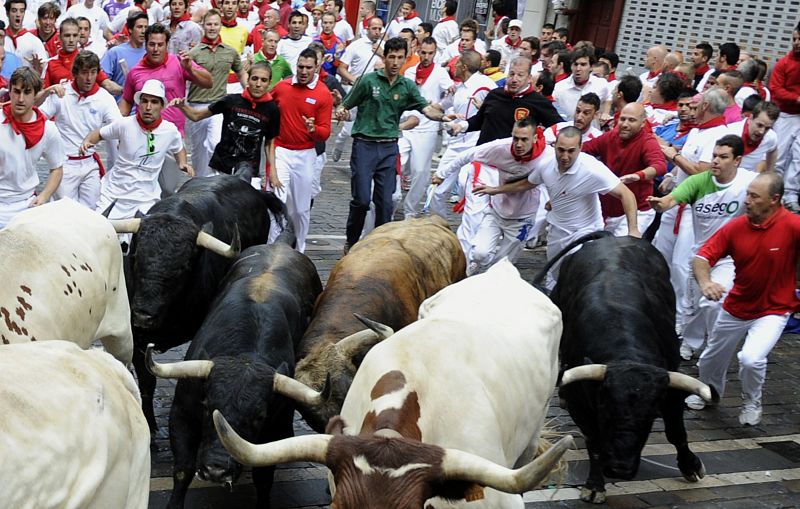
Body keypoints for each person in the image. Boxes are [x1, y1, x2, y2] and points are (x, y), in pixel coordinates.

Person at [685, 172, 800, 426]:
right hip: (736, 307)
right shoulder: (736, 227)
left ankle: (752, 401)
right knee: (710, 358)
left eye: (754, 196)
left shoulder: (792, 226)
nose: (746, 200)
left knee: (750, 358)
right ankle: (709, 393)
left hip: (774, 310)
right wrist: (706, 282)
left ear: (774, 200)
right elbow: (702, 258)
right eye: (747, 193)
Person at [475, 126, 640, 286]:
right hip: (557, 231)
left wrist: (633, 230)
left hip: (585, 232)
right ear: (554, 146)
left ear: (580, 148)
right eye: (561, 150)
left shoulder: (592, 169)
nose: (565, 156)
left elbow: (626, 194)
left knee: (576, 277)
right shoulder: (546, 166)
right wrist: (496, 190)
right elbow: (526, 184)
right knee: (555, 276)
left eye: (571, 151)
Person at [648, 135, 757, 361]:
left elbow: (770, 193)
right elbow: (670, 200)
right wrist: (659, 205)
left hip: (730, 259)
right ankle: (691, 342)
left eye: (723, 157)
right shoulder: (698, 181)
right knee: (693, 308)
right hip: (701, 257)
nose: (716, 161)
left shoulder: (749, 182)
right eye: (714, 156)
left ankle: (713, 348)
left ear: (737, 160)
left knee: (713, 302)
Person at [334, 36, 444, 254]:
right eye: (391, 57)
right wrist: (341, 110)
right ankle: (352, 240)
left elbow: (426, 109)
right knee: (362, 200)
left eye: (399, 58)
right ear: (383, 58)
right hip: (364, 145)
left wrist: (444, 117)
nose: (395, 62)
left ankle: (379, 245)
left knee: (385, 204)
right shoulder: (367, 81)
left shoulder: (407, 86)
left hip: (388, 147)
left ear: (405, 59)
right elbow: (345, 105)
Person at [657, 87, 733, 332]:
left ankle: (681, 321)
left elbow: (703, 172)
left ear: (706, 107)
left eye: (697, 103)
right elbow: (685, 163)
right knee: (661, 256)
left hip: (694, 208)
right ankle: (658, 309)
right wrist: (671, 174)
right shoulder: (699, 130)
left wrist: (673, 156)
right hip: (675, 200)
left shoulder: (717, 134)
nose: (692, 108)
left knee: (682, 265)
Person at [437, 116, 554, 274]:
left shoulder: (548, 156)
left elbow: (561, 178)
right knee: (479, 254)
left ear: (535, 138)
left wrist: (554, 200)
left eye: (524, 139)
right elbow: (466, 155)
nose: (519, 144)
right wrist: (441, 174)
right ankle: (476, 273)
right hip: (496, 212)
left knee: (502, 266)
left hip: (522, 218)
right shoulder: (500, 147)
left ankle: (488, 287)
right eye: (515, 138)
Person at [84, 79, 190, 222]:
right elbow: (99, 133)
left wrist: (183, 163)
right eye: (144, 101)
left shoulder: (170, 130)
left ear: (162, 106)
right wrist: (87, 141)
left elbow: (179, 148)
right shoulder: (124, 124)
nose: (148, 107)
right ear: (139, 104)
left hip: (146, 199)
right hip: (113, 194)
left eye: (154, 102)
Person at [38, 50, 120, 208]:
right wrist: (47, 92)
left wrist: (98, 135)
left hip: (90, 163)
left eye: (93, 72)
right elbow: (39, 117)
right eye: (84, 72)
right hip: (65, 165)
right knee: (65, 212)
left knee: (92, 212)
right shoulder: (61, 93)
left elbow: (118, 127)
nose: (89, 78)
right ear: (75, 72)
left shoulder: (104, 98)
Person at [270, 48, 332, 252]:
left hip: (306, 154)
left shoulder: (323, 94)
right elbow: (266, 105)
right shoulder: (281, 87)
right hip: (280, 151)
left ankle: (299, 250)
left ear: (317, 67)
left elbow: (325, 132)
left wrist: (314, 130)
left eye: (308, 67)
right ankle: (272, 247)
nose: (303, 71)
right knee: (277, 201)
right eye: (300, 67)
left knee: (301, 209)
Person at [171, 62, 279, 179]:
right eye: (254, 78)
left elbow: (269, 143)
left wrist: (273, 172)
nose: (258, 84)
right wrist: (183, 106)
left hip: (249, 172)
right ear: (248, 80)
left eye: (263, 80)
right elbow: (196, 116)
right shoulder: (231, 101)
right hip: (221, 169)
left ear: (269, 83)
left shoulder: (272, 109)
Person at [430, 49, 496, 218]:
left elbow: (498, 107)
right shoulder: (458, 88)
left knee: (464, 187)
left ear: (464, 67)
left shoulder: (486, 85)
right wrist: (428, 103)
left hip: (474, 147)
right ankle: (442, 227)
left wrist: (485, 109)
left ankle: (471, 230)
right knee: (437, 191)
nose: (455, 67)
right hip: (455, 146)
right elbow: (441, 106)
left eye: (457, 64)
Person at [583, 102, 667, 235]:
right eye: (622, 119)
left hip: (637, 211)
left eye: (631, 120)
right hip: (607, 210)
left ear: (643, 123)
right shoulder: (610, 136)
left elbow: (660, 166)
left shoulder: (647, 141)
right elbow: (585, 149)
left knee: (619, 252)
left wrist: (638, 175)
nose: (625, 124)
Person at [0, 66, 64, 227]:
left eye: (27, 92)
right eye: (16, 91)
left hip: (25, 206)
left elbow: (57, 168)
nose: (20, 99)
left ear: (36, 95)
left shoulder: (48, 130)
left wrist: (43, 197)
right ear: (10, 91)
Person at [448, 56, 562, 145]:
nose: (514, 79)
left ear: (529, 78)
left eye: (520, 75)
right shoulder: (494, 94)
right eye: (511, 74)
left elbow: (559, 127)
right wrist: (462, 126)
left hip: (514, 163)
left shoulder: (538, 102)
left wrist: (540, 143)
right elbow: (480, 120)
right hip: (485, 154)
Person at [186, 8, 245, 177]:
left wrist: (247, 88)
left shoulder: (230, 51)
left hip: (218, 104)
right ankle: (200, 181)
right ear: (203, 26)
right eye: (209, 24)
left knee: (214, 143)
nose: (212, 28)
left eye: (215, 24)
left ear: (221, 26)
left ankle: (214, 181)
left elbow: (240, 71)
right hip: (196, 105)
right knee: (198, 151)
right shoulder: (194, 52)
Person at [398, 37, 451, 218]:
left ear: (435, 53)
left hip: (427, 128)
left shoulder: (440, 73)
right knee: (397, 162)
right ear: (418, 51)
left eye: (430, 53)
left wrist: (439, 105)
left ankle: (410, 211)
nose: (426, 56)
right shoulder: (410, 72)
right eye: (424, 52)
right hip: (406, 125)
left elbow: (451, 94)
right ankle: (391, 200)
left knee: (420, 171)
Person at [42, 18, 119, 94]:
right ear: (59, 38)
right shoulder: (50, 64)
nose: (71, 40)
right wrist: (49, 90)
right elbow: (42, 96)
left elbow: (107, 84)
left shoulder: (88, 60)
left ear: (78, 37)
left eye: (75, 35)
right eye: (67, 35)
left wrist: (128, 89)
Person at [771, 25, 800, 212]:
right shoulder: (784, 63)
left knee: (799, 157)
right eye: (794, 39)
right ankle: (775, 191)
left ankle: (790, 193)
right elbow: (775, 89)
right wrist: (796, 98)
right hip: (786, 115)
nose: (796, 43)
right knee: (779, 156)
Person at [553, 46, 610, 121]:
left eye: (583, 65)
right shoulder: (560, 88)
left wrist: (605, 112)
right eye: (575, 64)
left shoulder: (601, 84)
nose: (578, 69)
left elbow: (609, 98)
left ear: (591, 67)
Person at [100, 11, 147, 90]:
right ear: (130, 29)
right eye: (139, 27)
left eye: (146, 27)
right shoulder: (115, 52)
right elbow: (102, 79)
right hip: (118, 101)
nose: (143, 31)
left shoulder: (151, 53)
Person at [728, 100, 779, 173]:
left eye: (767, 128)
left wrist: (769, 172)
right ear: (750, 118)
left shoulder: (771, 137)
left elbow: (773, 150)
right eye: (759, 125)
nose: (762, 131)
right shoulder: (730, 132)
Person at [4, 0, 48, 69]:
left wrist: (38, 69)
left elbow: (43, 71)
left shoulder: (34, 41)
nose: (18, 15)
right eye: (14, 11)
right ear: (7, 13)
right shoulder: (2, 38)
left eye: (21, 11)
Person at [314, 11, 344, 77]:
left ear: (335, 24)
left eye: (330, 23)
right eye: (325, 22)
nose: (327, 26)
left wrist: (336, 56)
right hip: (316, 77)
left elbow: (341, 65)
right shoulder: (315, 42)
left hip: (332, 79)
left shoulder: (339, 43)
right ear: (321, 24)